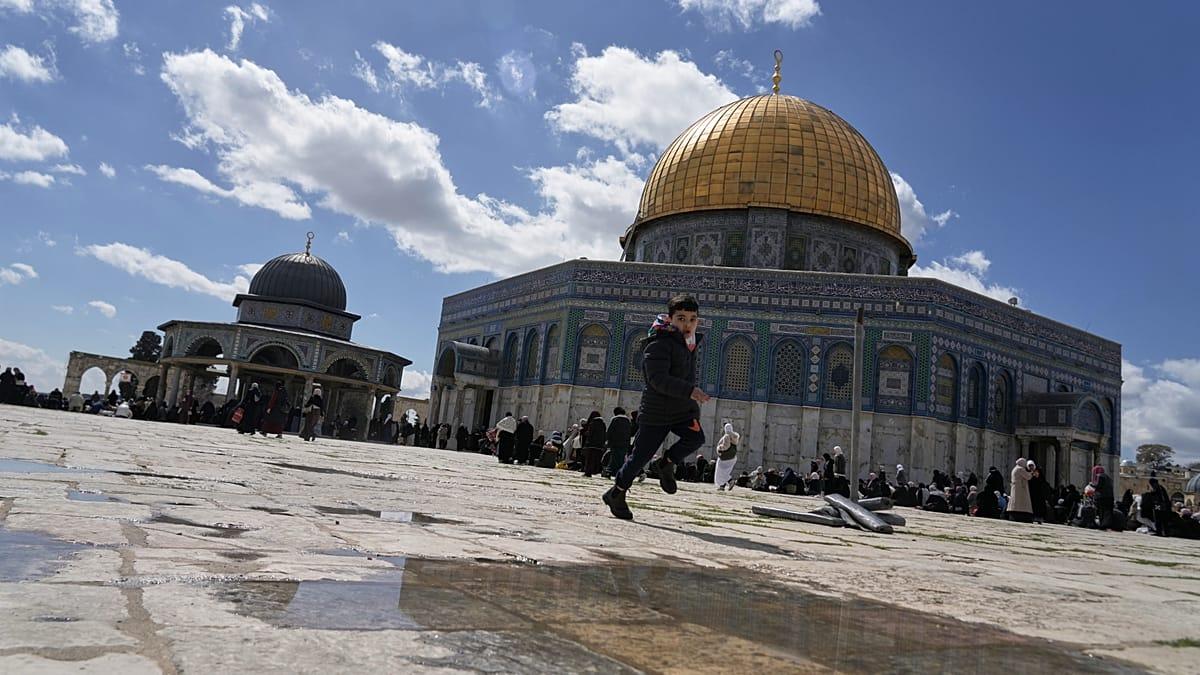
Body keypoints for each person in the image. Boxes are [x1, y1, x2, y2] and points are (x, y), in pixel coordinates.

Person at [603, 295, 709, 520]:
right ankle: (616, 493)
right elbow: (656, 379)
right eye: (681, 318)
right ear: (670, 319)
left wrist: (691, 403)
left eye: (692, 319)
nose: (687, 324)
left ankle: (665, 463)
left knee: (696, 438)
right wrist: (690, 392)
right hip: (657, 412)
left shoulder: (689, 344)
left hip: (681, 410)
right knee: (639, 458)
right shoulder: (658, 344)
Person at [606, 407, 633, 478]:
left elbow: (610, 431)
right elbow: (630, 433)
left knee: (614, 457)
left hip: (615, 443)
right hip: (625, 443)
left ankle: (610, 471)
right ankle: (619, 472)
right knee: (621, 458)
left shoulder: (615, 419)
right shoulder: (628, 421)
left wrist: (608, 441)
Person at [713, 422, 741, 491]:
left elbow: (726, 446)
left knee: (719, 472)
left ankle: (729, 481)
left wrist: (719, 448)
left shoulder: (727, 436)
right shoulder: (735, 437)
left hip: (724, 458)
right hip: (732, 458)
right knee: (725, 472)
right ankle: (722, 486)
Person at [1007, 458, 1033, 523]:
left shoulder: (1014, 469)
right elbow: (1028, 477)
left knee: (1015, 501)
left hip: (1015, 487)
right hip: (1021, 488)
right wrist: (1032, 472)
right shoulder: (1020, 469)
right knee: (1022, 503)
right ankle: (1022, 515)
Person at [582, 411, 607, 477]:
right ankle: (595, 471)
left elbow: (590, 434)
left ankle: (588, 472)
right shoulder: (603, 424)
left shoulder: (592, 423)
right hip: (599, 445)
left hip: (591, 444)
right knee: (596, 459)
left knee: (589, 459)